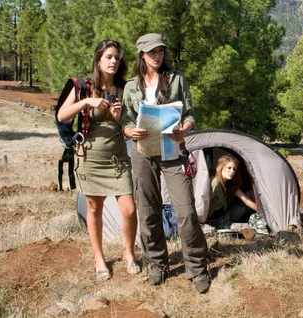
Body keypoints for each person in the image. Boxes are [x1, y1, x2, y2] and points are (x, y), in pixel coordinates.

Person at [121, 33, 210, 293]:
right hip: (142, 151)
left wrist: (186, 128)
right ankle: (157, 263)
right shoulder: (131, 86)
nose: (157, 56)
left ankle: (196, 267)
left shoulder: (176, 79)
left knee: (185, 211)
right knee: (148, 211)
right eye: (151, 52)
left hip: (172, 148)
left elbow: (190, 112)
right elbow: (126, 119)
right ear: (141, 55)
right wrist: (130, 132)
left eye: (160, 50)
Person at [56, 40, 140, 281]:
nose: (114, 61)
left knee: (129, 209)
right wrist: (86, 102)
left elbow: (131, 124)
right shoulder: (83, 87)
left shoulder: (125, 89)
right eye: (109, 57)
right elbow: (61, 115)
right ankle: (99, 258)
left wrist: (117, 118)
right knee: (95, 208)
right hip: (90, 159)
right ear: (98, 60)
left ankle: (129, 252)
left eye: (117, 58)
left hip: (117, 159)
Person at [207, 154, 258, 228]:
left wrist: (263, 214)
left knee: (250, 194)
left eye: (234, 169)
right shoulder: (215, 183)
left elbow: (247, 201)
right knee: (253, 228)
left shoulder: (229, 182)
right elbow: (202, 204)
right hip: (217, 223)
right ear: (221, 167)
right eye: (229, 168)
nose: (232, 171)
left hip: (226, 214)